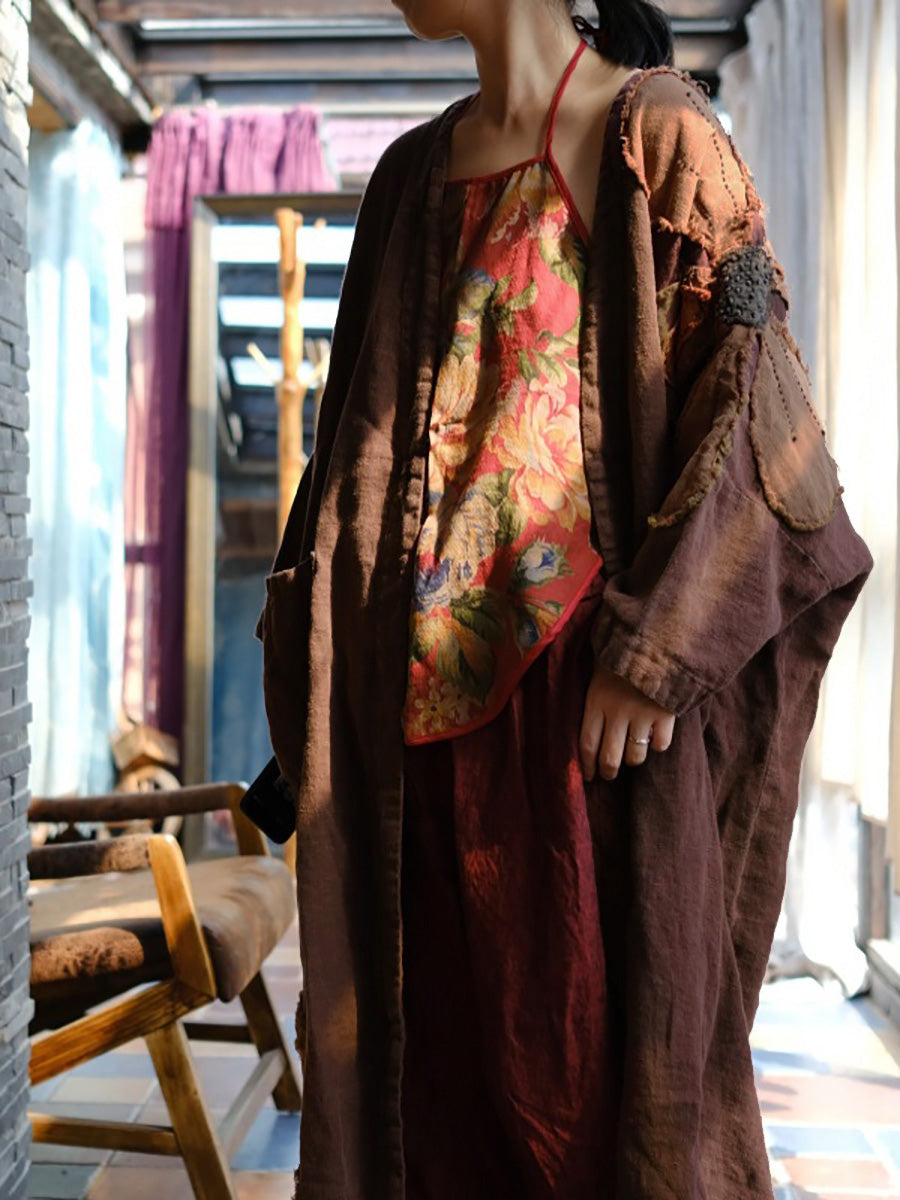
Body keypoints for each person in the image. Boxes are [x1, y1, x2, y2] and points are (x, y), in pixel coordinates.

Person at [255, 1, 874, 1197]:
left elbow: (761, 409)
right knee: (425, 1108)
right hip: (408, 758)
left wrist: (660, 650)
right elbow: (346, 459)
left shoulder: (662, 138)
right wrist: (319, 677)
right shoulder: (406, 179)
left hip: (580, 750)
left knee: (594, 1107)